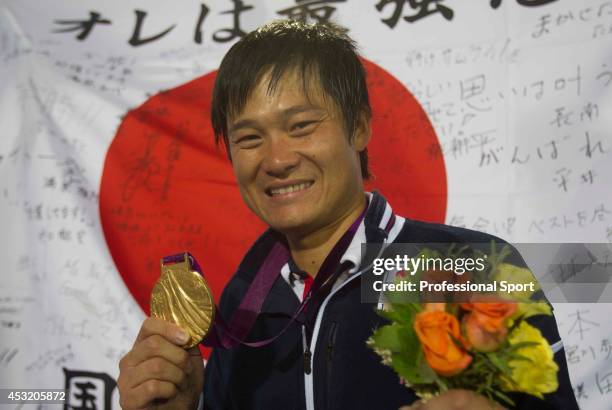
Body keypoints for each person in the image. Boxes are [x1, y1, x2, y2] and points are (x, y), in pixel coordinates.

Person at [117, 20, 578, 410]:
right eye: (250, 138)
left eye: (301, 126)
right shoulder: (244, 303)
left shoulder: (472, 266)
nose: (277, 159)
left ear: (358, 126)